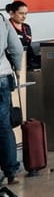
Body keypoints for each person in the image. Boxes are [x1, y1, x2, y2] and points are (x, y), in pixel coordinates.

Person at [0, 13, 22, 185]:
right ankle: (11, 172)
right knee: (4, 126)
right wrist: (18, 68)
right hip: (2, 76)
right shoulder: (2, 19)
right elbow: (16, 47)